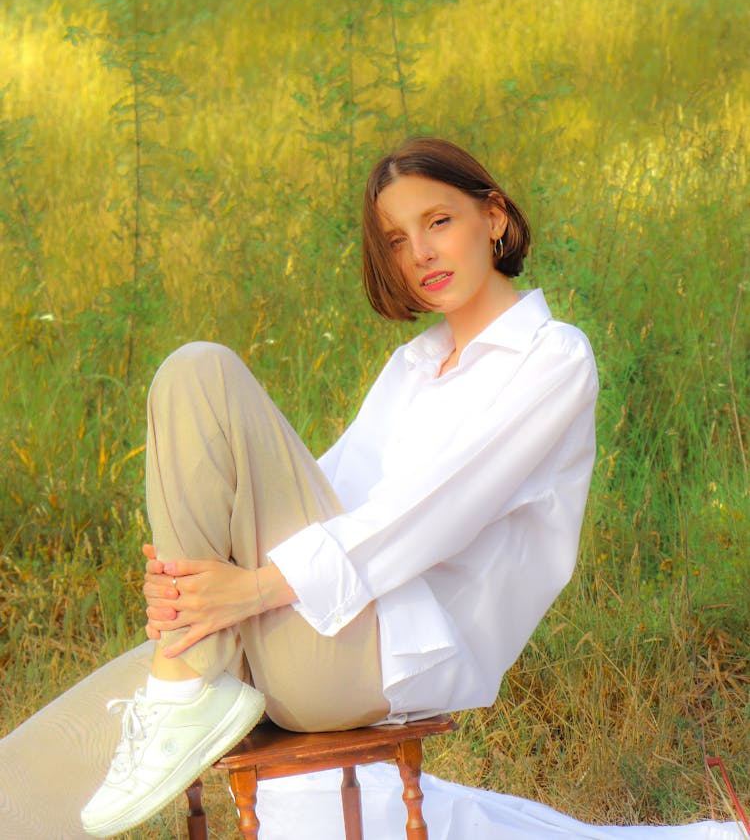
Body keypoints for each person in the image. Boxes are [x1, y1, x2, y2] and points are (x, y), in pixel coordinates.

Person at [0, 137, 598, 840]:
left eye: (438, 222)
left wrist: (248, 590)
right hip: (319, 631)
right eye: (397, 240)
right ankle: (181, 673)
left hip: (379, 658)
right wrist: (192, 584)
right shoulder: (417, 364)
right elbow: (329, 489)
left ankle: (183, 679)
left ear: (493, 216)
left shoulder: (552, 356)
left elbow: (425, 518)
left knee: (202, 371)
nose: (420, 254)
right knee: (36, 765)